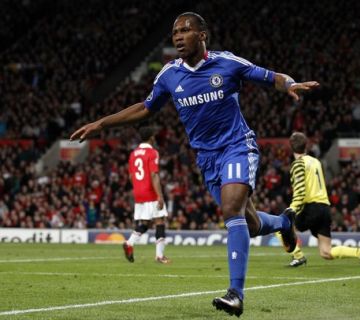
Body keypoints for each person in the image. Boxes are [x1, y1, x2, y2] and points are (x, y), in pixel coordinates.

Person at [70, 12, 318, 317]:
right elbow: (146, 109)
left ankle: (235, 294)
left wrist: (289, 83)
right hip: (207, 159)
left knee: (231, 211)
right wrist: (102, 123)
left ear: (202, 34)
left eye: (185, 30)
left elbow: (269, 77)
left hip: (237, 146)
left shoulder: (227, 63)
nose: (177, 36)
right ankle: (283, 223)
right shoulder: (168, 75)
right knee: (250, 225)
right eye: (175, 32)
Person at [280, 132, 360, 268]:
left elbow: (300, 191)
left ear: (291, 148)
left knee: (279, 226)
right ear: (307, 146)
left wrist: (292, 209)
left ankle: (298, 256)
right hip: (324, 208)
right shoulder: (316, 162)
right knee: (326, 252)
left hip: (311, 207)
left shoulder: (298, 164)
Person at [123, 127, 170, 264]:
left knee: (145, 223)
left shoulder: (133, 154)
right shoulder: (152, 152)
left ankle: (129, 243)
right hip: (150, 191)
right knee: (160, 221)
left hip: (138, 192)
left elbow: (131, 176)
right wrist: (160, 196)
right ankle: (160, 256)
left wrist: (139, 188)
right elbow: (154, 174)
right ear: (151, 137)